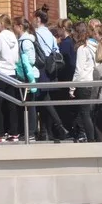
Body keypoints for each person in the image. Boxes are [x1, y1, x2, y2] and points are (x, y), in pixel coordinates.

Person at [32, 9, 68, 141]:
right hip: (51, 68)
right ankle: (46, 132)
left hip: (42, 68)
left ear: (38, 19)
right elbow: (56, 50)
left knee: (44, 99)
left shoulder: (36, 34)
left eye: (33, 18)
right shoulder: (50, 34)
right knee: (44, 99)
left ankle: (59, 126)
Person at [0, 13, 20, 142]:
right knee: (11, 104)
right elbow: (17, 57)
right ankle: (14, 132)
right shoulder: (14, 37)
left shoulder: (0, 38)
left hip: (1, 72)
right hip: (12, 72)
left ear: (1, 24)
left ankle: (0, 133)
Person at [13, 17, 39, 140]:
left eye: (15, 25)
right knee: (27, 104)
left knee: (30, 104)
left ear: (20, 27)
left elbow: (31, 60)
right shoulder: (22, 41)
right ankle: (28, 131)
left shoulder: (25, 42)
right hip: (26, 76)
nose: (13, 28)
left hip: (29, 76)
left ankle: (31, 132)